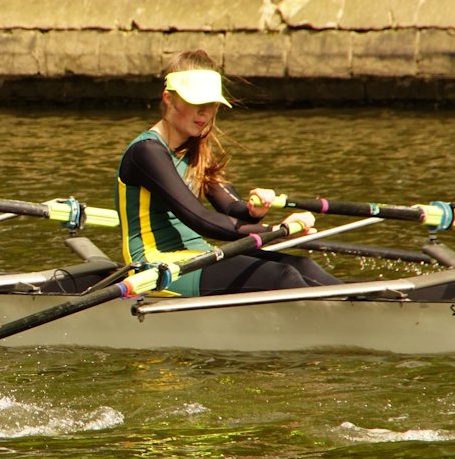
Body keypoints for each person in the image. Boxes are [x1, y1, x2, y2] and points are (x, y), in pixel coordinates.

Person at [115, 50, 342, 297]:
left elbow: (231, 208)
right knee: (281, 276)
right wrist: (274, 230)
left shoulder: (195, 147)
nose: (205, 113)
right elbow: (200, 218)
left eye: (211, 104)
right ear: (168, 98)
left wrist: (253, 211)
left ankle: (377, 302)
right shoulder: (146, 152)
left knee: (302, 266)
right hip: (155, 266)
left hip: (195, 255)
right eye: (196, 102)